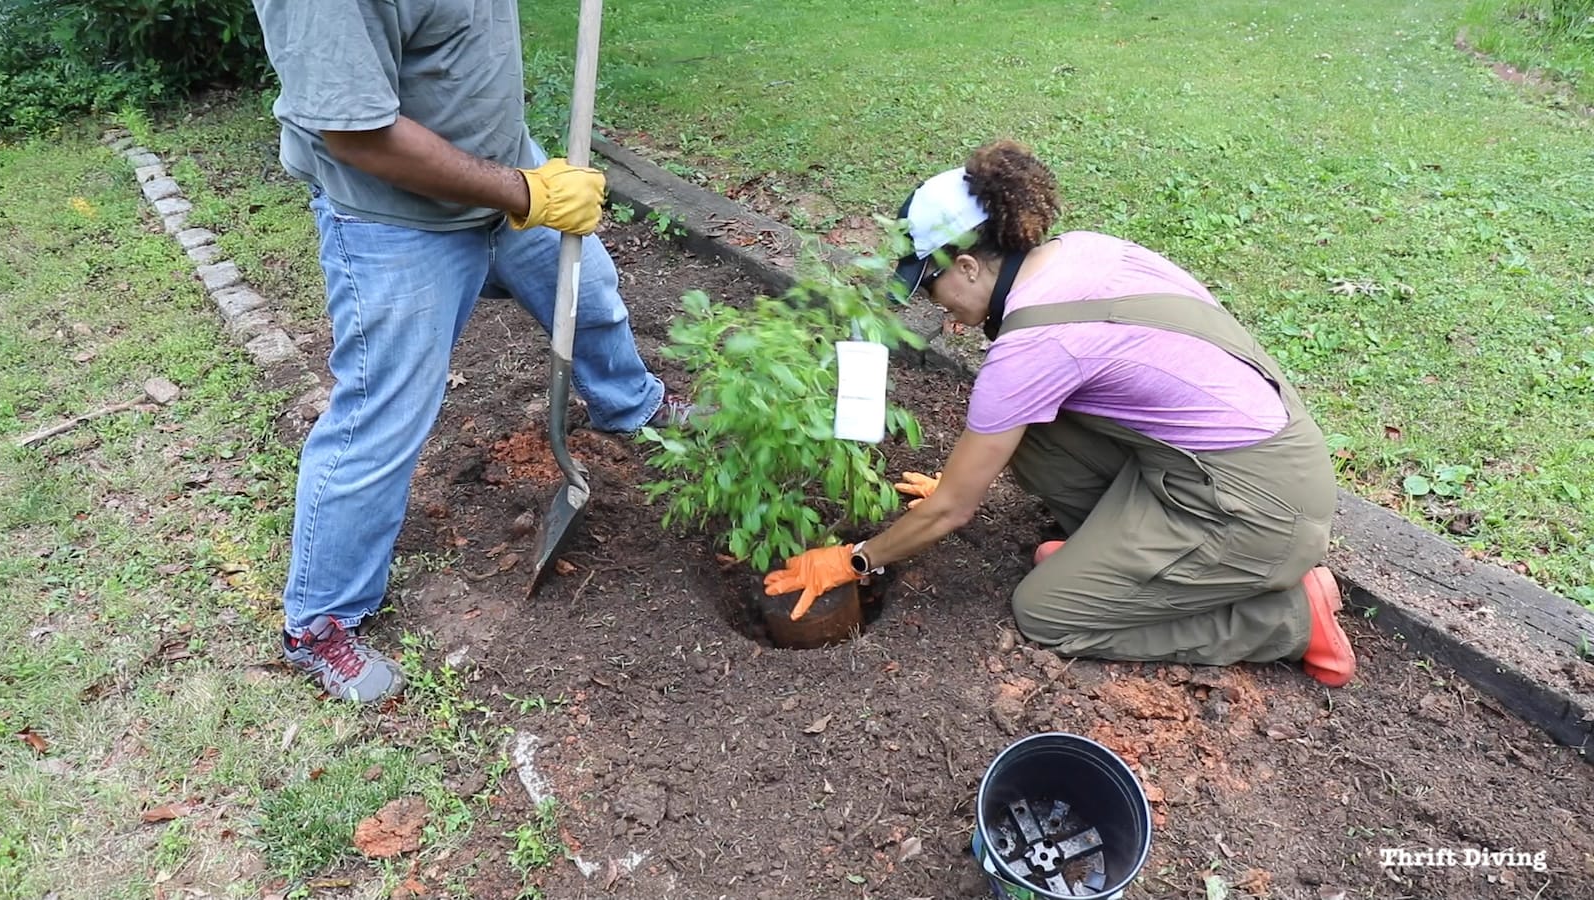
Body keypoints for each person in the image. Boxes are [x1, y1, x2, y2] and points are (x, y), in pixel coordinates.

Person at [764, 140, 1355, 687]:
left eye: (929, 285)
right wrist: (952, 483)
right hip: (1251, 460)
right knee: (1030, 432)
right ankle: (1116, 567)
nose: (933, 304)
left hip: (1257, 511)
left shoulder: (1033, 348)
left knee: (1046, 614)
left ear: (968, 266)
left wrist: (855, 559)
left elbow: (953, 511)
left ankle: (1290, 617)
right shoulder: (1082, 252)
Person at [253, 0, 684, 702]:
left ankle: (631, 408)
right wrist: (526, 193)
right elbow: (357, 135)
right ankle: (320, 620)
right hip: (394, 220)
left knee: (592, 297)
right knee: (384, 412)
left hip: (509, 170)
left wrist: (522, 184)